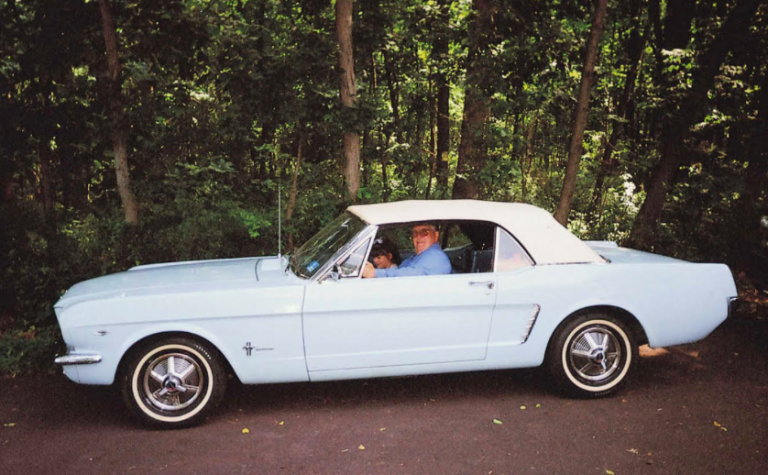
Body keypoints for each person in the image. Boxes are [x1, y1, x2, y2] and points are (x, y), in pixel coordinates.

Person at [362, 222, 452, 278]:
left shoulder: (436, 257)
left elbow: (411, 275)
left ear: (436, 236)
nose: (418, 237)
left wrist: (375, 273)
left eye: (424, 232)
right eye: (415, 233)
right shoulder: (423, 255)